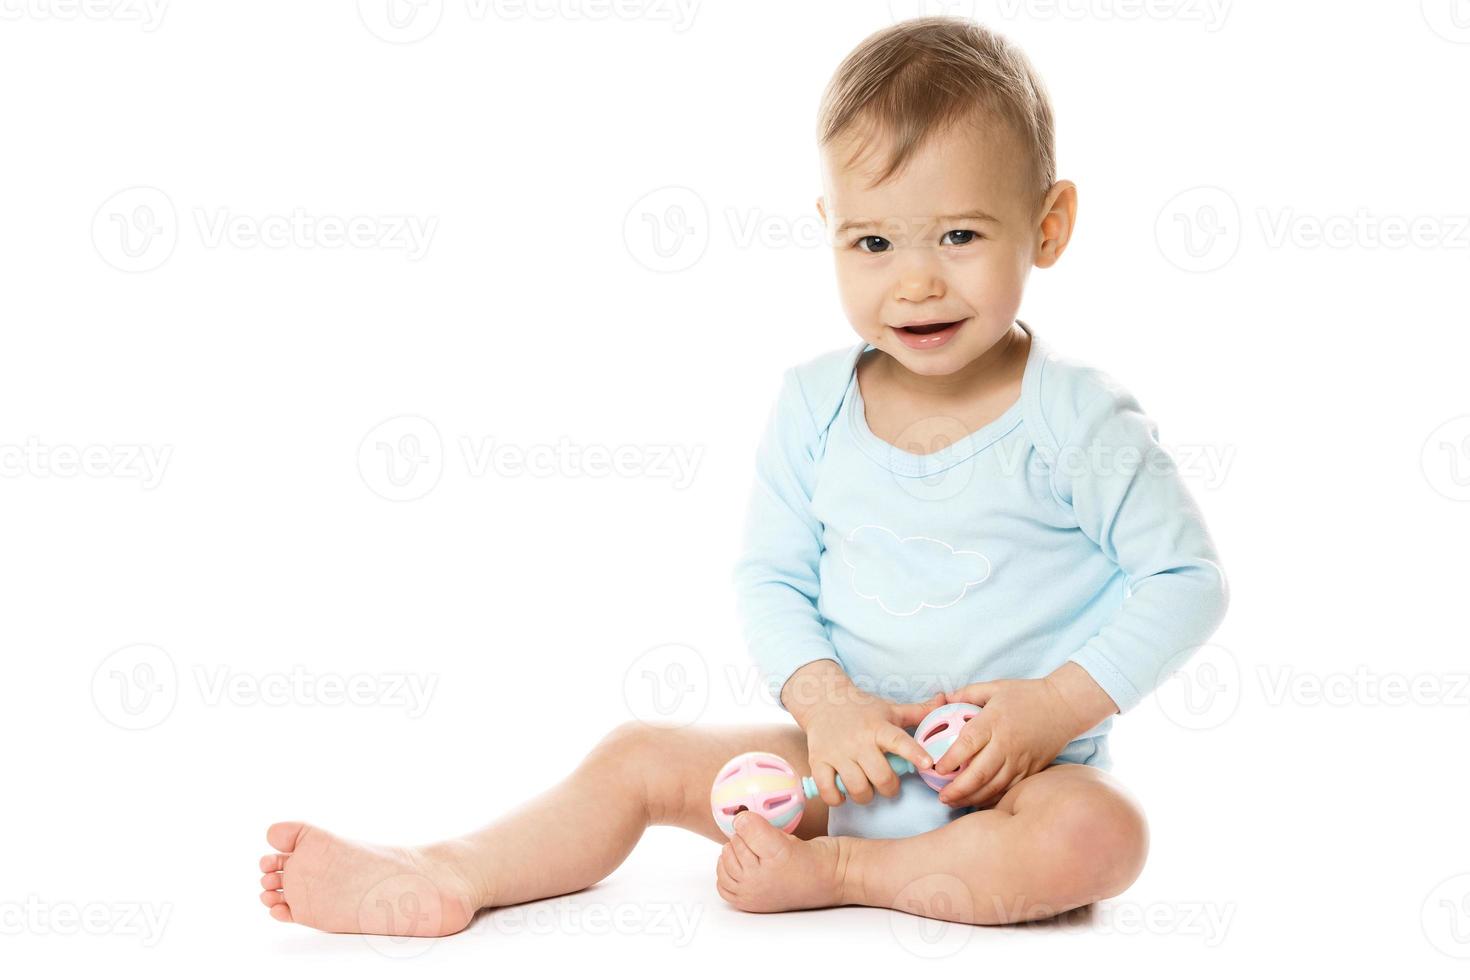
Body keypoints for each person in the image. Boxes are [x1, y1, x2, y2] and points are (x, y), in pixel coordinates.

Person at [257, 15, 1228, 934]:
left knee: (1103, 835)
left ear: (1049, 225)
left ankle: (843, 876)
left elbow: (1188, 580)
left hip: (1018, 778)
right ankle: (445, 870)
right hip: (845, 764)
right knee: (637, 756)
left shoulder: (1077, 419)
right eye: (873, 241)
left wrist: (1051, 707)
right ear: (830, 228)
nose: (916, 279)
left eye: (961, 236)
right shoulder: (814, 405)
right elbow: (770, 577)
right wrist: (828, 705)